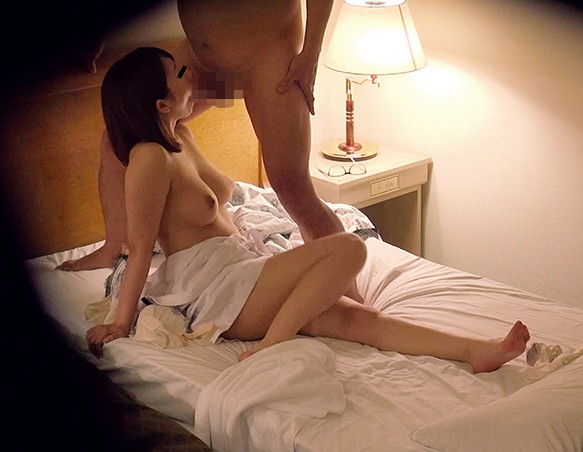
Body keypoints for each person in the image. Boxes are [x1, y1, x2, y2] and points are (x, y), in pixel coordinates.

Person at [85, 46, 531, 373]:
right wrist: (121, 322)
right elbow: (140, 248)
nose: (190, 76)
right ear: (161, 104)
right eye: (179, 74)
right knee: (348, 248)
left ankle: (475, 351)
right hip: (215, 290)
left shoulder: (179, 137)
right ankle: (271, 344)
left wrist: (263, 79)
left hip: (242, 268)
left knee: (356, 318)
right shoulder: (148, 158)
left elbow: (220, 159)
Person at [58, 0, 362, 300]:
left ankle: (348, 292)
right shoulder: (180, 74)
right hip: (196, 65)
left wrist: (310, 54)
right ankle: (115, 247)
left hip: (268, 61)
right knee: (119, 135)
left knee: (292, 186)